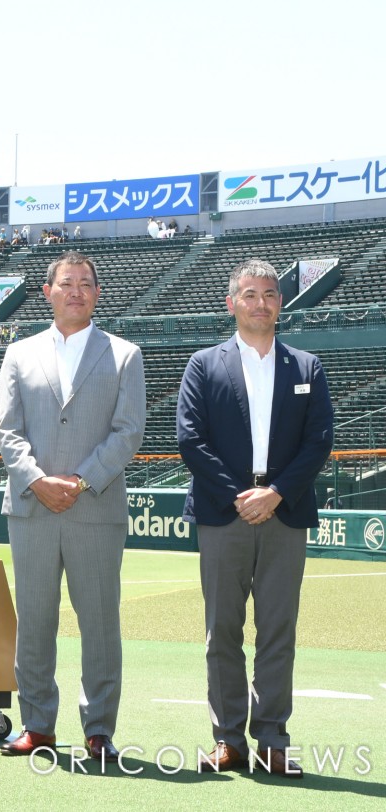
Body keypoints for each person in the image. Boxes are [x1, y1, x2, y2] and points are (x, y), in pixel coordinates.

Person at [176, 259, 333, 778]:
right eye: (249, 294)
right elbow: (190, 440)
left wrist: (277, 494)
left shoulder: (307, 367)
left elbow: (319, 442)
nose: (260, 302)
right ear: (231, 303)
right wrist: (244, 495)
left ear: (280, 303)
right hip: (225, 513)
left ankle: (271, 740)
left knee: (277, 631)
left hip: (285, 513)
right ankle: (228, 741)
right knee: (222, 630)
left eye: (269, 293)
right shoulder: (203, 364)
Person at [0, 250, 146, 761]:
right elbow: (8, 432)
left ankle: (98, 728)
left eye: (85, 282)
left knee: (99, 621)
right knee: (35, 620)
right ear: (48, 291)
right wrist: (38, 481)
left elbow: (129, 434)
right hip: (32, 508)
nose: (76, 290)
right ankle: (37, 725)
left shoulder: (125, 354)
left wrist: (79, 482)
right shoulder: (19, 353)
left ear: (97, 293)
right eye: (66, 282)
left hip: (95, 509)